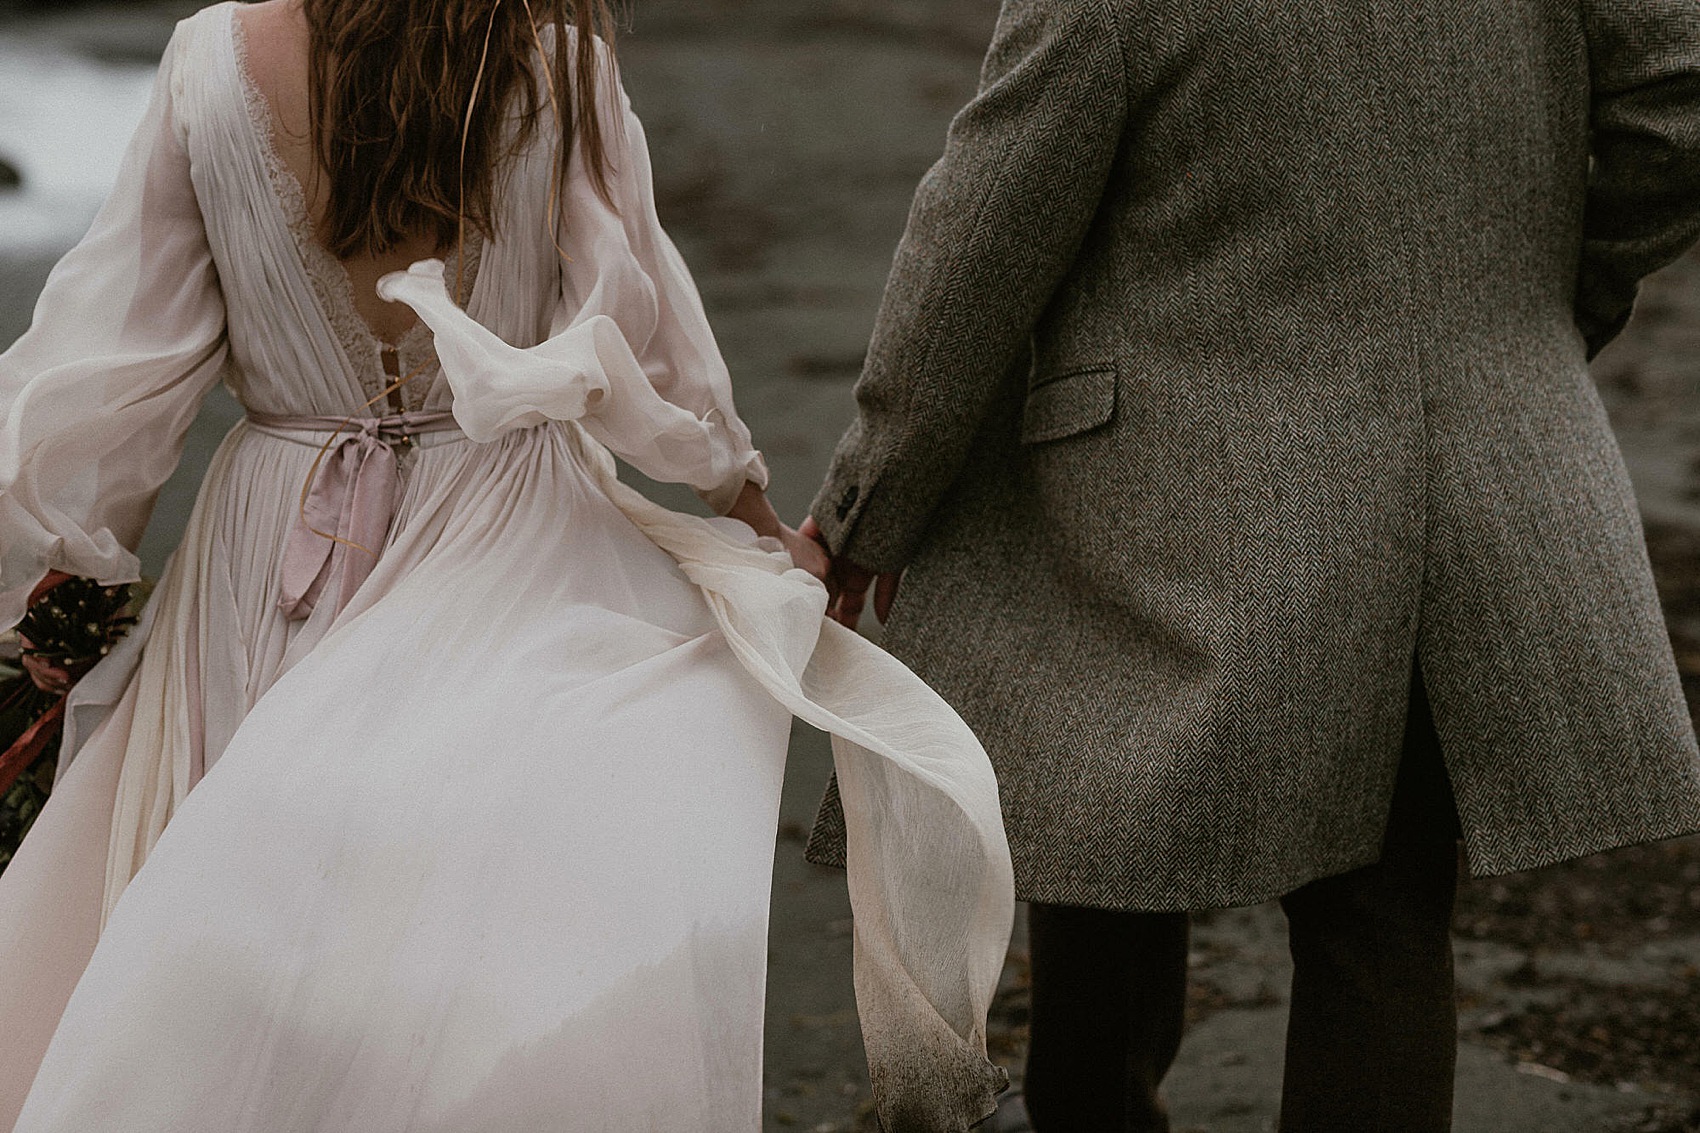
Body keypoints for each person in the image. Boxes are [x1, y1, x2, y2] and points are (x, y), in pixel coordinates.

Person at [0, 2, 1014, 1129]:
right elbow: (634, 322)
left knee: (246, 918)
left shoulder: (211, 59)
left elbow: (125, 358)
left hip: (268, 535)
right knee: (458, 914)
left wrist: (64, 569)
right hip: (504, 519)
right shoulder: (547, 56)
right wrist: (750, 505)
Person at [802, 1, 1700, 1130]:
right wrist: (1535, 306)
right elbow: (1679, 94)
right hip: (1465, 472)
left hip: (1154, 494)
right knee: (1377, 916)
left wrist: (869, 501)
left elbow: (985, 227)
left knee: (1101, 849)